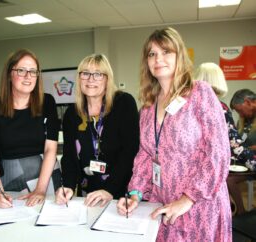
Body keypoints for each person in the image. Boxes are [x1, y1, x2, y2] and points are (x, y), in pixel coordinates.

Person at [117, 27, 232, 241]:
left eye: (166, 52)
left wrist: (187, 199)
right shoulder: (148, 107)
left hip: (200, 206)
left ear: (179, 55)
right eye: (152, 54)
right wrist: (135, 194)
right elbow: (145, 155)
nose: (158, 59)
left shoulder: (200, 93)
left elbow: (219, 153)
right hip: (163, 204)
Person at [55, 54, 139, 207]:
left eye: (98, 74)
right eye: (85, 73)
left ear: (107, 79)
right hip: (87, 196)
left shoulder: (123, 103)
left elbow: (130, 152)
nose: (90, 79)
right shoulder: (72, 114)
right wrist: (67, 185)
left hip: (120, 196)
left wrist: (109, 190)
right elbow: (69, 157)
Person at [0, 49, 60, 208]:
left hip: (46, 175)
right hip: (11, 177)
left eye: (33, 71)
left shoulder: (47, 102)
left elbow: (51, 148)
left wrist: (41, 189)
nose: (28, 76)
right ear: (9, 74)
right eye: (21, 70)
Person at [195, 63, 256, 214]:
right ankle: (242, 216)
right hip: (214, 165)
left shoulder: (190, 104)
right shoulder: (219, 107)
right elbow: (234, 144)